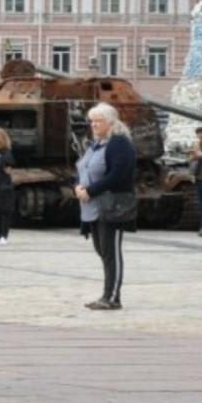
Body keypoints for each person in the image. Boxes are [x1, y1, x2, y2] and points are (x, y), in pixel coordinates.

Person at [75, 103, 137, 311]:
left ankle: (112, 297)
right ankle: (106, 294)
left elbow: (118, 175)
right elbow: (83, 169)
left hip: (111, 206)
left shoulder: (119, 143)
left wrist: (90, 190)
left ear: (110, 122)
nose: (93, 124)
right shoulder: (95, 144)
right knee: (102, 251)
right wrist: (78, 187)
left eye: (98, 121)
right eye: (91, 121)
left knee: (112, 254)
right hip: (92, 207)